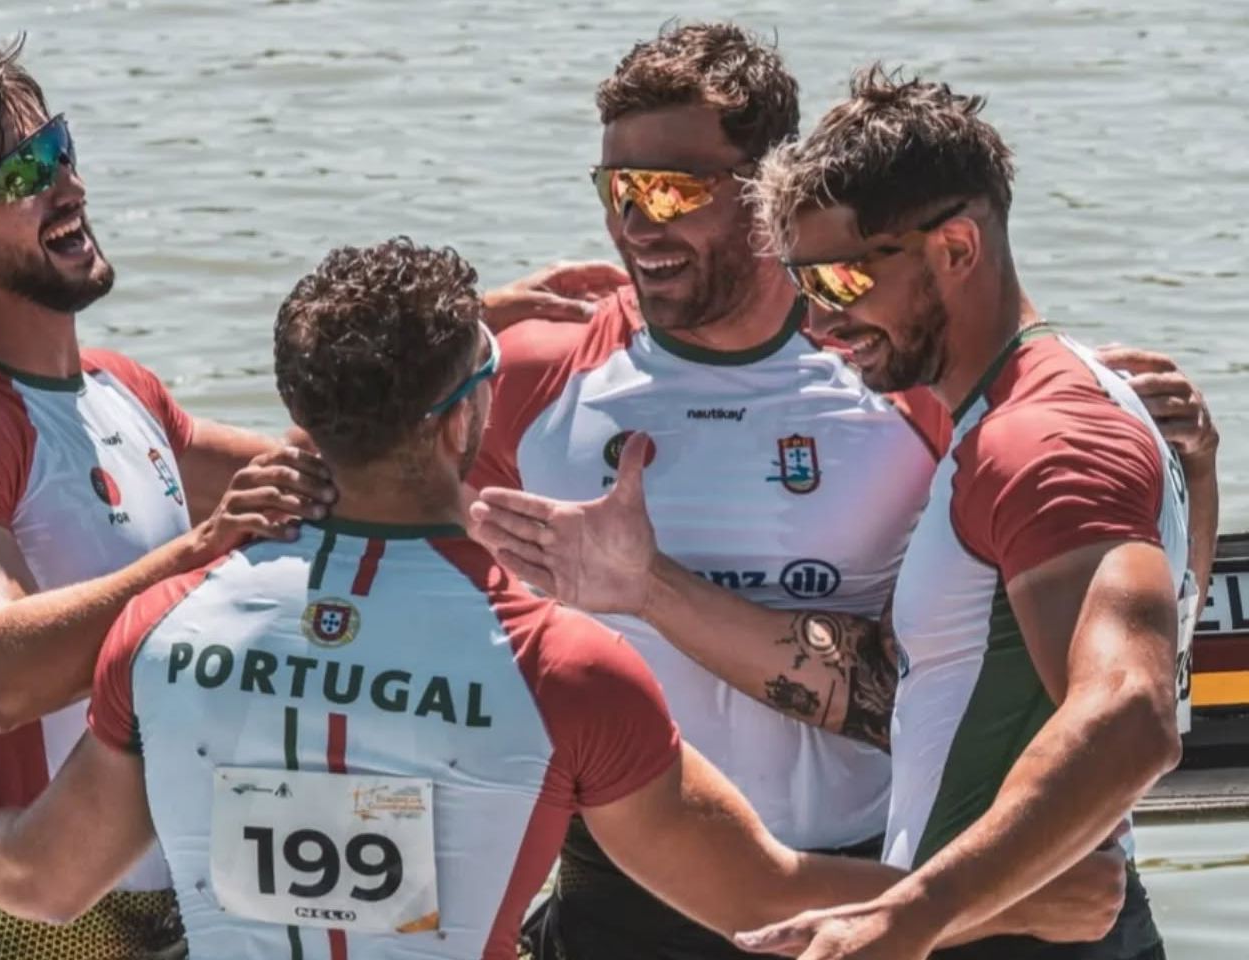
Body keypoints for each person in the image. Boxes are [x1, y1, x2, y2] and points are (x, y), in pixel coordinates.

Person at [0, 237, 1128, 960]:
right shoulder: (565, 668)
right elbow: (762, 897)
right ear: (473, 413)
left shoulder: (160, 630)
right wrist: (1008, 892)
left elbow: (42, 885)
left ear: (303, 417)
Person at [471, 67, 1218, 960]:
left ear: (955, 251)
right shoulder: (1050, 408)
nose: (824, 320)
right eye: (809, 283)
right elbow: (1149, 653)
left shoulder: (1037, 436)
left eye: (841, 282)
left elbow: (1134, 712)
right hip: (932, 902)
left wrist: (914, 914)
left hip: (1002, 918)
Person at [0, 40, 338, 960]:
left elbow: (333, 481)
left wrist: (464, 348)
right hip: (14, 927)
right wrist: (203, 554)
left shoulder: (122, 390)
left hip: (182, 910)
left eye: (60, 148)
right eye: (24, 172)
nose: (66, 186)